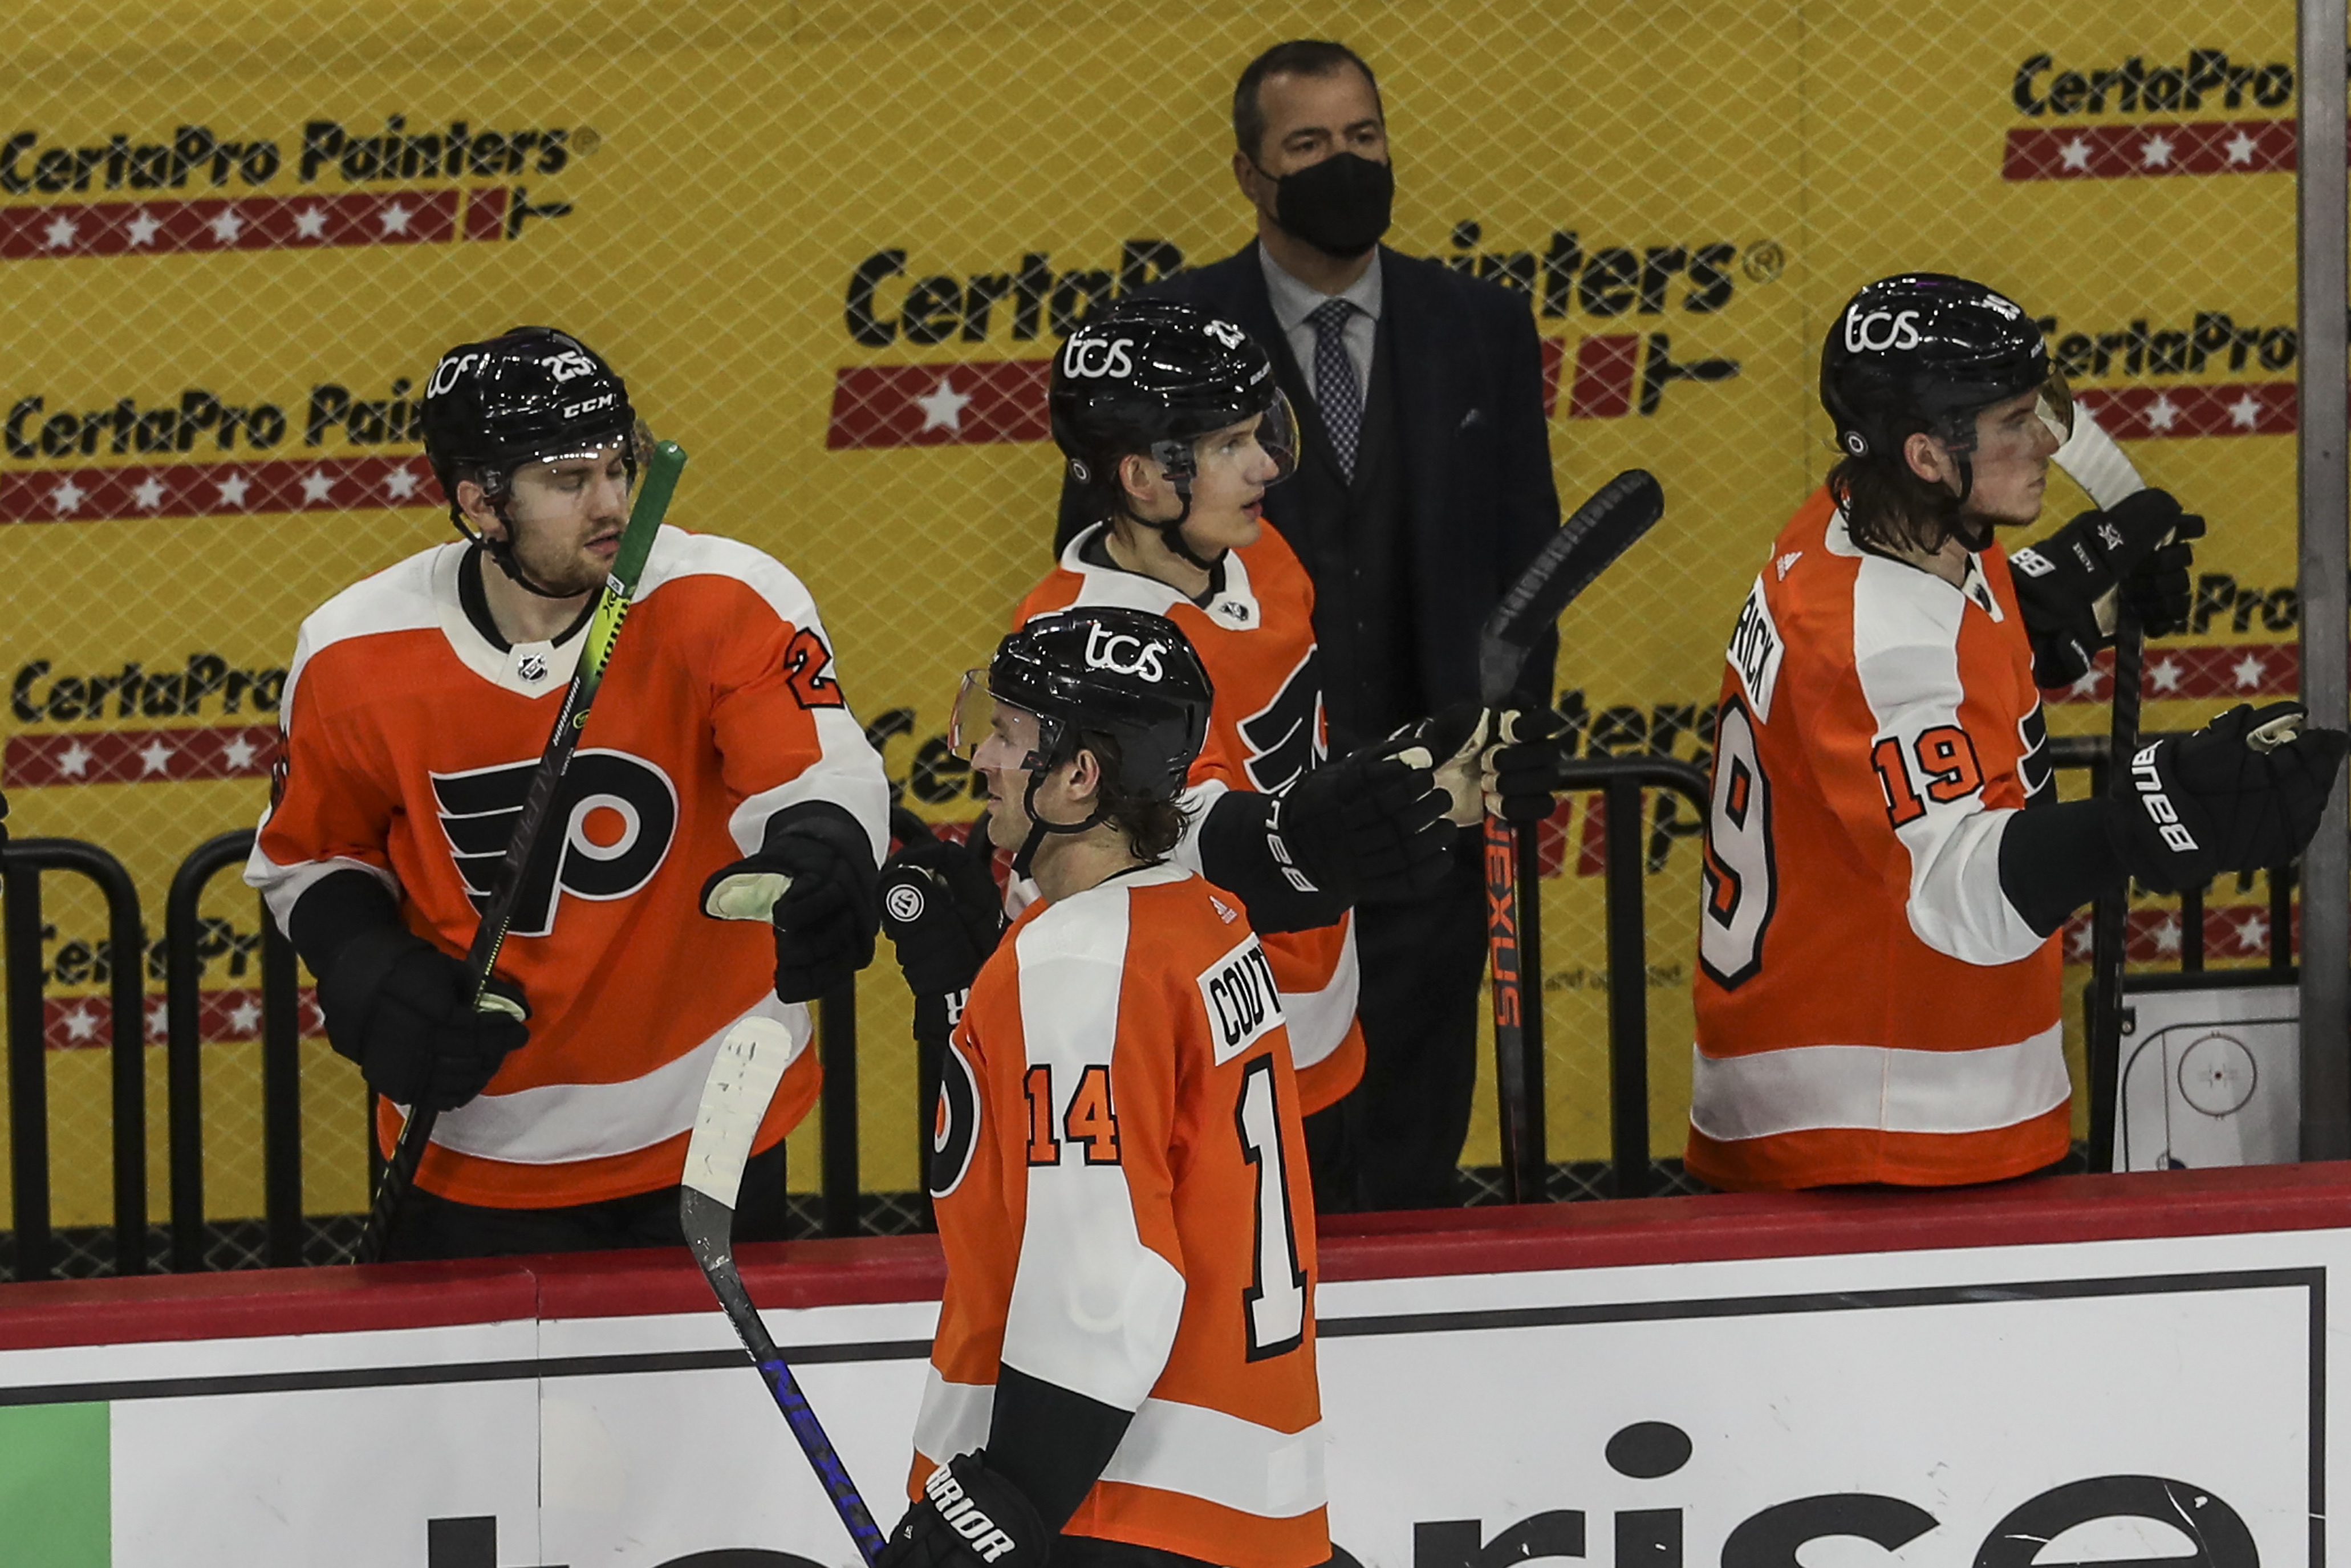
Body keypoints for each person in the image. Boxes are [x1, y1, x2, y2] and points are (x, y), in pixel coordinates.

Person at [1687, 274, 2347, 1191]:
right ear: (1926, 452)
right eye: (2013, 422)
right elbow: (1960, 889)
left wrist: (2086, 612)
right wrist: (2145, 820)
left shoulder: (1882, 522)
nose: (2045, 440)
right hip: (1878, 1125)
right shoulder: (1864, 638)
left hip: (1891, 1086)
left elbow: (1952, 661)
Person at [246, 326, 890, 1257]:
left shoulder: (725, 596)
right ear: (480, 504)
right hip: (473, 1145)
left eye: (618, 464)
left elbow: (815, 769)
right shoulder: (353, 651)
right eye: (566, 479)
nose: (614, 502)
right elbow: (312, 855)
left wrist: (822, 850)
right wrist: (371, 971)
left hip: (710, 1124)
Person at [1055, 39, 1565, 1210]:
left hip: (1434, 825)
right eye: (1308, 147)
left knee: (1412, 1158)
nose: (1345, 165)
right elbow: (1103, 594)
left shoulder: (1479, 321)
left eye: (1363, 139)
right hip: (1241, 853)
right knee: (1257, 1178)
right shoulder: (1166, 335)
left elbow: (1525, 559)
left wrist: (1492, 741)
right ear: (1248, 172)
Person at [881, 607, 1327, 1568]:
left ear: (1080, 776)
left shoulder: (1075, 960)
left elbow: (1106, 1271)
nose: (983, 756)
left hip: (1117, 1504)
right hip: (1241, 1497)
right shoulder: (1206, 920)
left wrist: (1004, 1501)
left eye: (1008, 733)